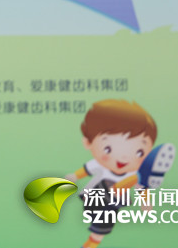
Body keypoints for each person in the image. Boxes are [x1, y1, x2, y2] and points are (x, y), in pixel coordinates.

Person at [64, 99, 159, 248]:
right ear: (88, 143)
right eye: (108, 149)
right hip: (93, 197)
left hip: (113, 204)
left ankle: (92, 241)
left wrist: (146, 202)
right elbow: (86, 170)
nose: (124, 157)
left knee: (102, 227)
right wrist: (74, 176)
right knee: (106, 190)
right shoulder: (100, 165)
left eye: (139, 152)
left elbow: (142, 188)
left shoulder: (135, 173)